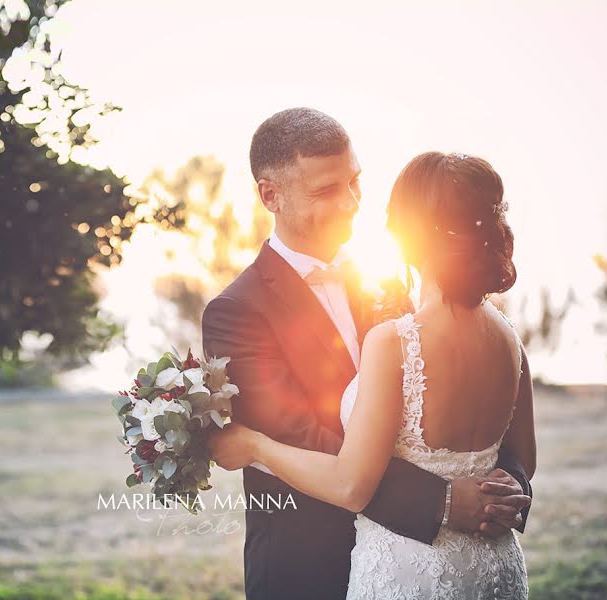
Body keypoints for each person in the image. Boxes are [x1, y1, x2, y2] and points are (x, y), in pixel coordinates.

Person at [202, 108, 533, 599]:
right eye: (326, 191)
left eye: (355, 182)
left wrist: (508, 488)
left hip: (414, 563)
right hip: (308, 562)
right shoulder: (236, 311)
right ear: (270, 195)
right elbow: (309, 438)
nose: (351, 203)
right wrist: (439, 501)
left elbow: (481, 418)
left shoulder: (392, 284)